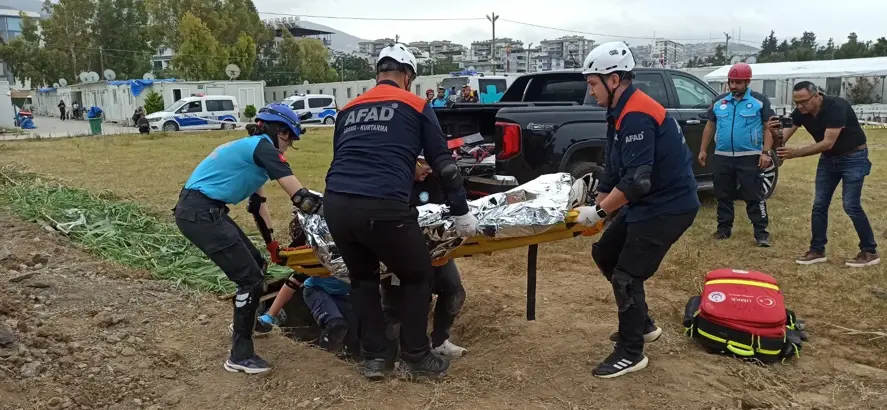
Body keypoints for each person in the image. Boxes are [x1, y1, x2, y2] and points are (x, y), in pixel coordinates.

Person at [322, 43, 478, 381]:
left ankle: (375, 358)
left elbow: (350, 157)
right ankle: (416, 356)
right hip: (384, 206)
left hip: (336, 205)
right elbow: (445, 166)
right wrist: (461, 211)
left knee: (363, 279)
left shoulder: (348, 108)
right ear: (407, 76)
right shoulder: (416, 103)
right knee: (418, 276)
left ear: (378, 73)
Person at [573, 41, 700, 379]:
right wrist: (596, 206)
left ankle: (631, 352)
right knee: (606, 253)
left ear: (613, 80)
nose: (590, 91)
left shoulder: (637, 114)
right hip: (647, 203)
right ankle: (642, 325)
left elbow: (637, 181)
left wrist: (600, 213)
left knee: (627, 275)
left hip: (668, 206)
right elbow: (615, 169)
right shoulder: (619, 110)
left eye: (593, 83)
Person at [173, 102, 322, 374]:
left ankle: (248, 323)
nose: (288, 146)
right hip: (201, 213)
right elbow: (303, 199)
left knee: (258, 265)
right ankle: (240, 356)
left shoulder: (254, 150)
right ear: (280, 132)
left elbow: (257, 205)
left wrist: (271, 244)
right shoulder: (263, 148)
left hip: (202, 210)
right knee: (250, 280)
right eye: (289, 139)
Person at [772, 81, 879, 267]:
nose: (800, 106)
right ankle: (816, 250)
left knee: (851, 205)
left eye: (804, 101)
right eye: (796, 103)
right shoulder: (801, 112)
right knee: (819, 204)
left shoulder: (836, 106)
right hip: (829, 159)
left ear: (816, 95)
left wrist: (795, 153)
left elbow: (828, 143)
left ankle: (870, 251)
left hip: (854, 156)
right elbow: (783, 138)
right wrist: (775, 134)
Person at [381, 158, 469, 362]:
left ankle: (440, 341)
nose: (428, 169)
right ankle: (391, 354)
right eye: (423, 163)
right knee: (394, 307)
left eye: (431, 164)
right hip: (396, 251)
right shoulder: (390, 178)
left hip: (434, 249)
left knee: (454, 291)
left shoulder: (436, 179)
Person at [698, 62, 775, 247]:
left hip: (749, 156)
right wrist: (702, 149)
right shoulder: (719, 102)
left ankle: (761, 233)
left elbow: (769, 128)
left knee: (754, 196)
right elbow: (710, 125)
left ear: (747, 82)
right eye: (731, 82)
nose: (733, 86)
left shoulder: (759, 101)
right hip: (722, 156)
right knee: (723, 195)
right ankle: (723, 229)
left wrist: (766, 152)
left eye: (738, 82)